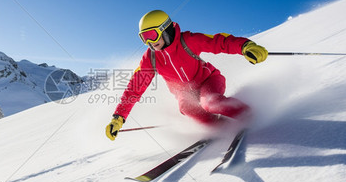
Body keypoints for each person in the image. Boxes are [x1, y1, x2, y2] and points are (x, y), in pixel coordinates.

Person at [105, 9, 268, 141]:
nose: (149, 42)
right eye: (144, 38)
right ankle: (221, 128)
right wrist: (118, 117)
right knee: (186, 108)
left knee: (211, 102)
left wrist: (245, 47)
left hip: (208, 80)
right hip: (185, 93)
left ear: (164, 29)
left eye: (151, 36)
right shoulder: (151, 58)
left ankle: (251, 116)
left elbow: (219, 42)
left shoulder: (188, 41)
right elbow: (135, 87)